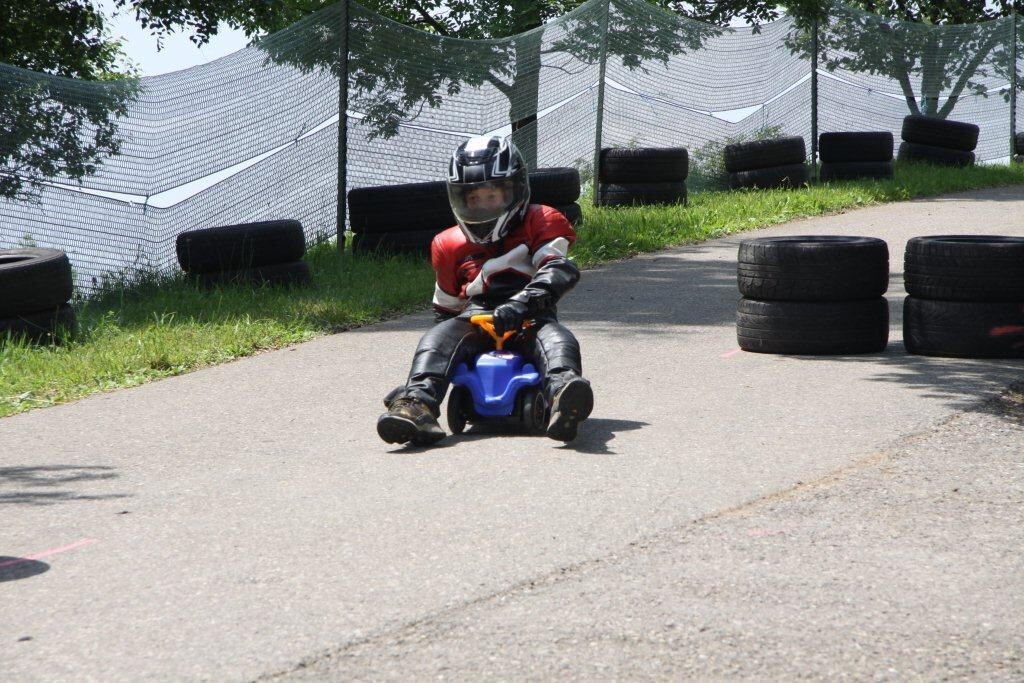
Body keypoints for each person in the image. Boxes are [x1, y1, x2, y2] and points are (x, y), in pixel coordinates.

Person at [376, 134, 593, 446]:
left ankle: (563, 392)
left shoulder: (541, 220)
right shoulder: (447, 244)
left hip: (531, 316)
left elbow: (559, 269)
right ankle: (416, 404)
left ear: (515, 190)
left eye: (491, 197)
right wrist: (445, 353)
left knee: (557, 337)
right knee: (437, 338)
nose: (482, 206)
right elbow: (445, 309)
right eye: (473, 199)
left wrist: (523, 303)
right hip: (475, 320)